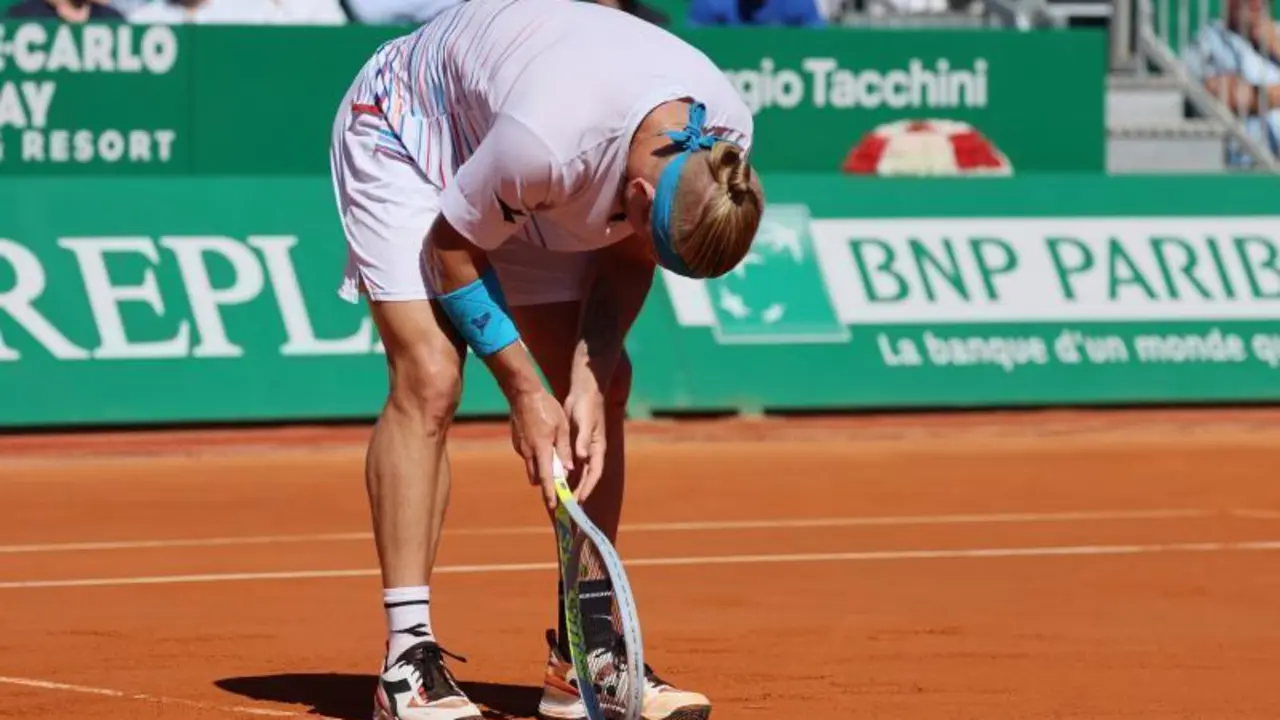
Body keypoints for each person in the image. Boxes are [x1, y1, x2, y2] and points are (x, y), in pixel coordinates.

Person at [327, 0, 765, 718]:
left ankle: (583, 655)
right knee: (431, 378)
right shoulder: (550, 142)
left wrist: (587, 380)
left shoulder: (723, 142)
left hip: (522, 159)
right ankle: (406, 662)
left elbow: (630, 255)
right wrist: (525, 393)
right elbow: (452, 247)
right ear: (638, 194)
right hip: (408, 131)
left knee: (608, 387)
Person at [1186, 0, 1280, 167]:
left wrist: (1276, 49)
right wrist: (1267, 97)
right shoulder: (1211, 39)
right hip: (1251, 165)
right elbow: (1219, 93)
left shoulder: (1276, 35)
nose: (1257, 3)